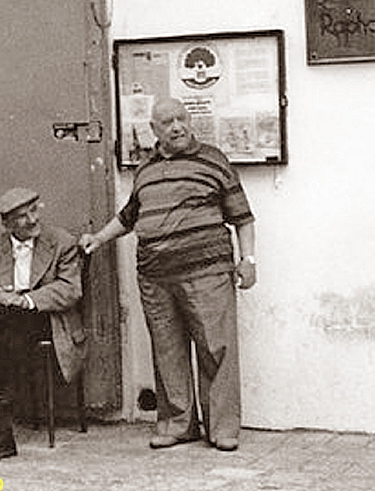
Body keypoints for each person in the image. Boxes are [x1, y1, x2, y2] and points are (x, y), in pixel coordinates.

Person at [80, 96, 257, 452]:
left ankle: (222, 428)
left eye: (180, 118)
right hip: (155, 276)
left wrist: (248, 260)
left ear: (189, 120)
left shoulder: (214, 160)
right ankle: (178, 424)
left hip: (208, 272)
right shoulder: (145, 169)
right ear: (154, 130)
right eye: (167, 122)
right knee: (167, 351)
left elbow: (243, 217)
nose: (176, 126)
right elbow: (129, 217)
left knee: (216, 348)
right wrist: (98, 238)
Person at [0, 187, 86, 463]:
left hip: (48, 322)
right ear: (7, 224)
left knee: (5, 326)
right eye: (22, 217)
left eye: (34, 210)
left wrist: (27, 300)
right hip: (9, 329)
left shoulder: (61, 242)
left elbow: (70, 289)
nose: (32, 220)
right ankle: (0, 431)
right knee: (5, 327)